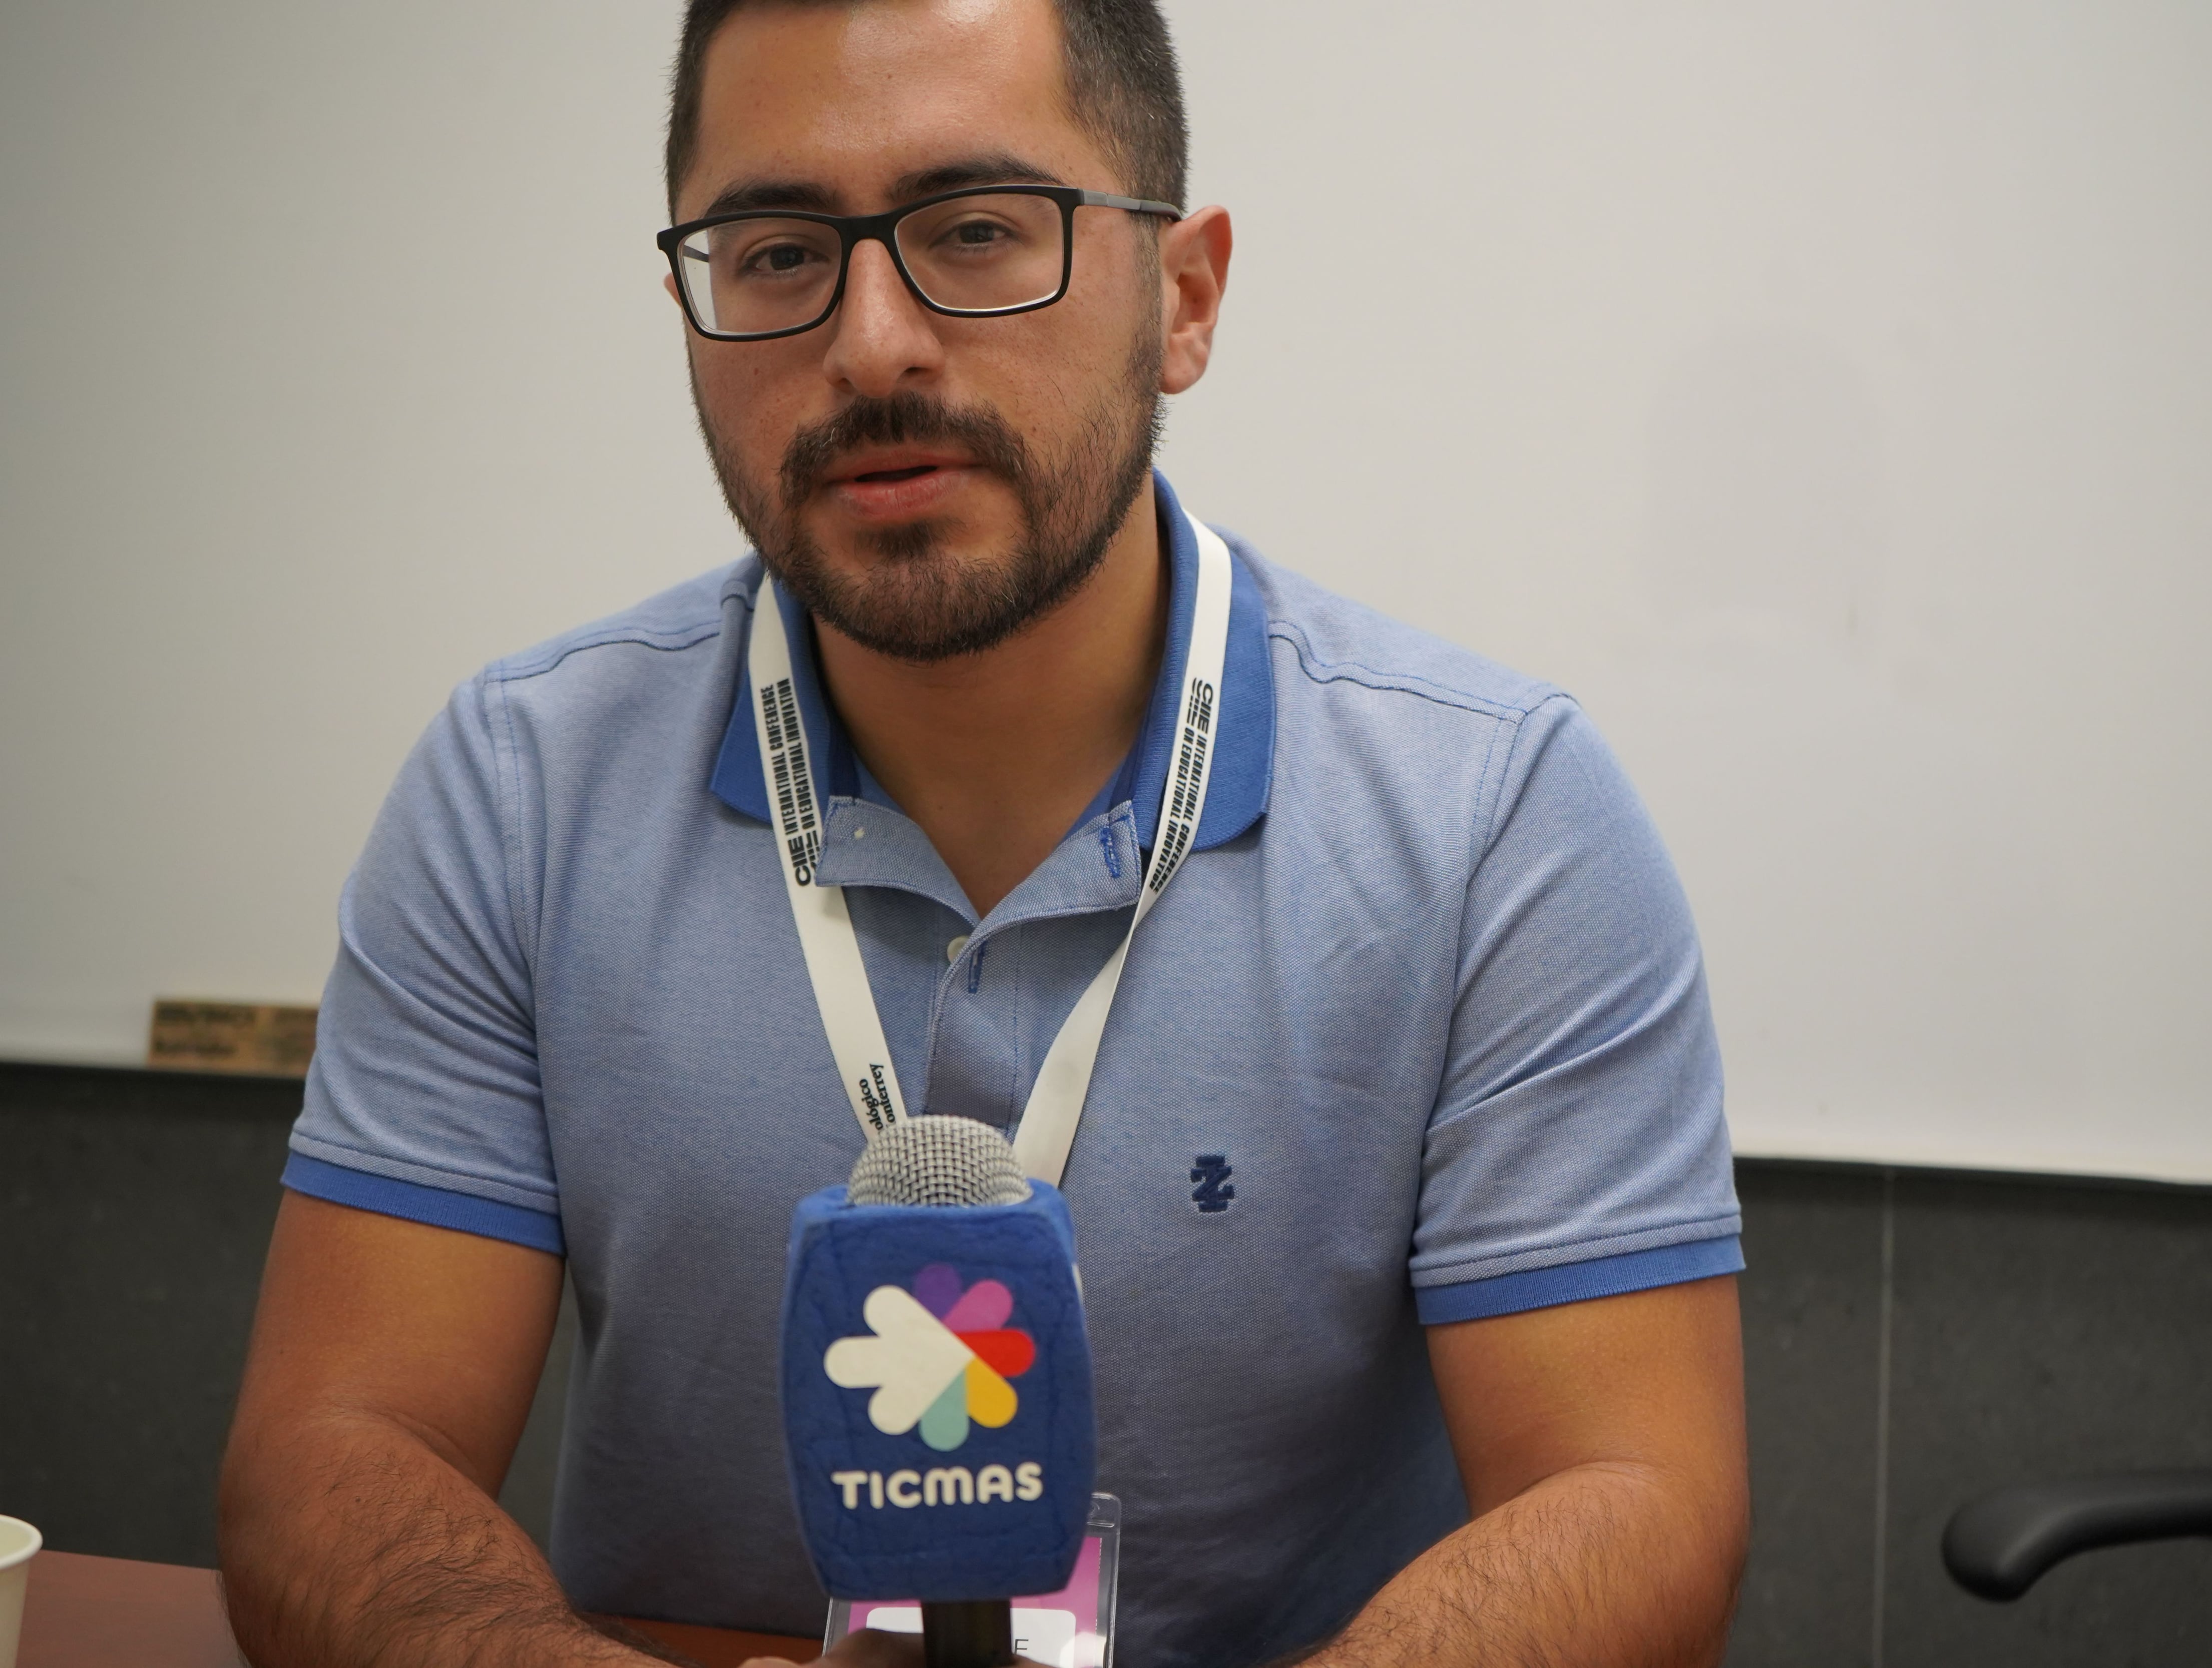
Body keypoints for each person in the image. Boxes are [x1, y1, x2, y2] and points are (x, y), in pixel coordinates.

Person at [217, 1, 1750, 1663]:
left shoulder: (1490, 813)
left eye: (975, 232)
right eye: (779, 254)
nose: (872, 344)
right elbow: (332, 1457)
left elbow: (1634, 1494)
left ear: (1183, 298)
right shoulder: (526, 787)